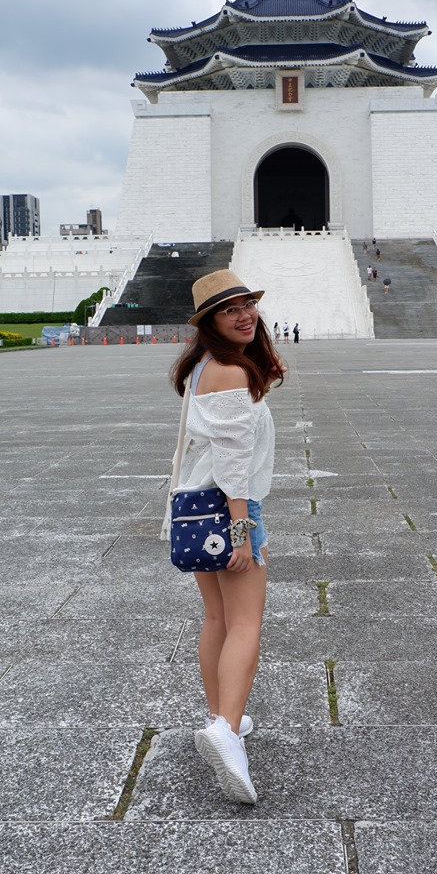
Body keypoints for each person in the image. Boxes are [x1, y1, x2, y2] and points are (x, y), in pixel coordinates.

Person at [168, 269, 285, 804]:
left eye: (247, 304)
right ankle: (226, 732)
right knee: (244, 623)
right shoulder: (233, 374)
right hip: (229, 510)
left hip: (194, 508)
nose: (244, 314)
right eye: (229, 309)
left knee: (216, 618)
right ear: (210, 322)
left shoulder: (201, 369)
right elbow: (235, 467)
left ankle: (222, 718)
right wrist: (243, 531)